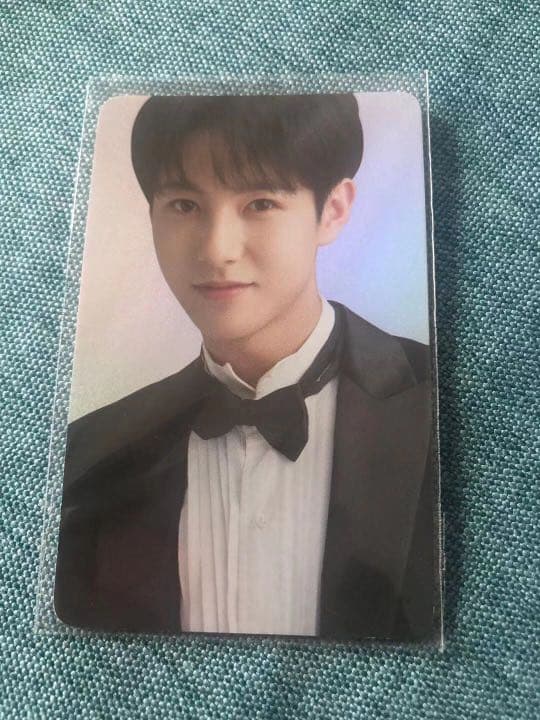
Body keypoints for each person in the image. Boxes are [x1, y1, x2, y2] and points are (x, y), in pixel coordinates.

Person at [54, 94, 440, 642]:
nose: (217, 250)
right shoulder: (89, 453)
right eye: (184, 205)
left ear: (332, 209)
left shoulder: (445, 402)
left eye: (260, 203)